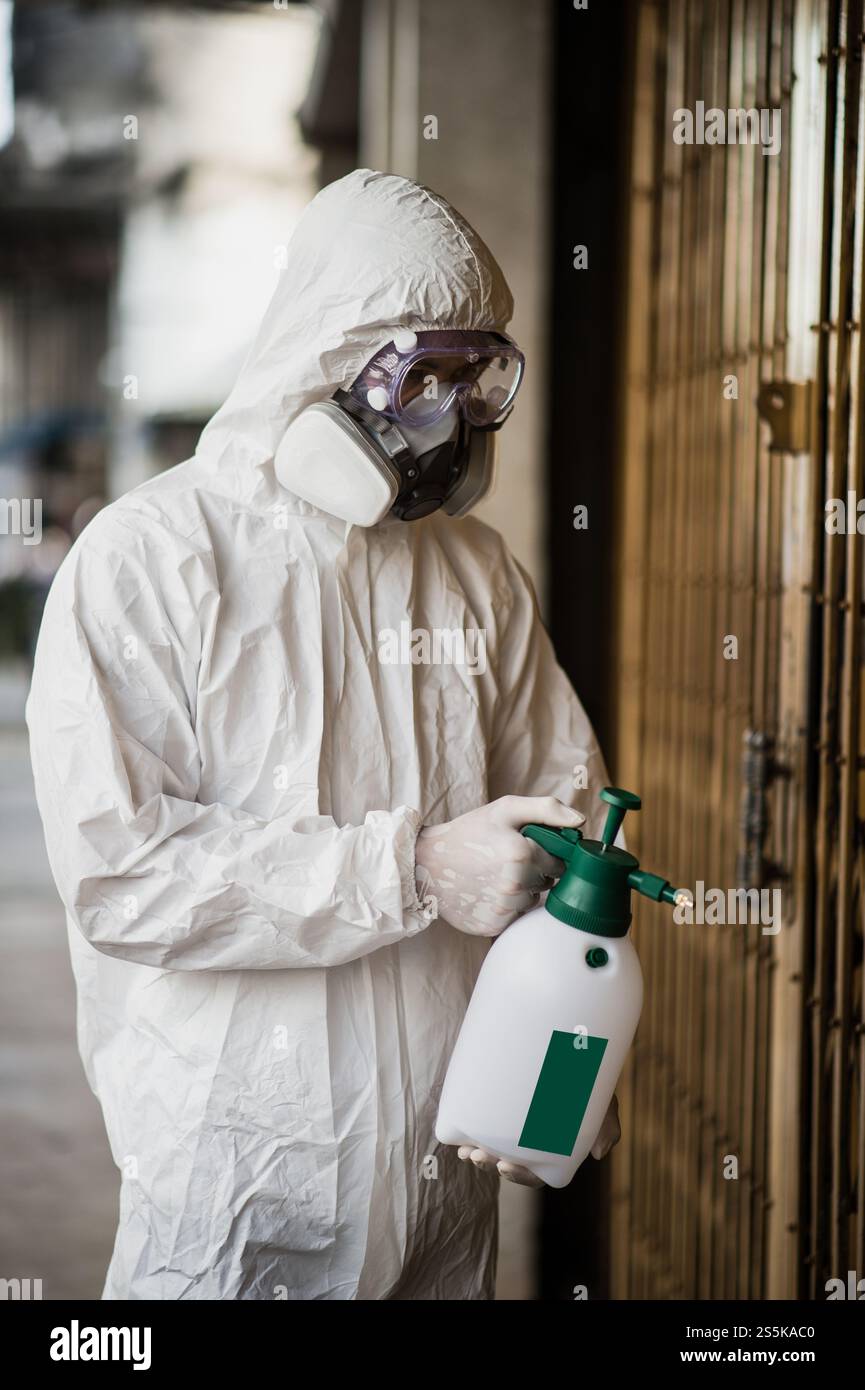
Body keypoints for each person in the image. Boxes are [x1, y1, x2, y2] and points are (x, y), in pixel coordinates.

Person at [26, 168, 619, 1301]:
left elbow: (569, 825)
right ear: (323, 354)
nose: (442, 418)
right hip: (236, 1188)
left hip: (446, 1178)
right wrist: (411, 867)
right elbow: (122, 873)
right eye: (418, 377)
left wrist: (553, 1076)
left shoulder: (474, 572)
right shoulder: (149, 561)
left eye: (471, 378)